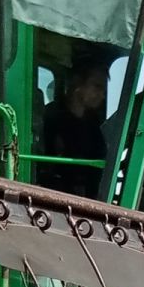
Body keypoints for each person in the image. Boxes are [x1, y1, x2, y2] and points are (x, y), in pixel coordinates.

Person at [36, 58, 111, 198]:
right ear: (78, 83)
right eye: (97, 86)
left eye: (104, 90)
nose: (102, 95)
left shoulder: (94, 129)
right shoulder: (50, 118)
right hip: (50, 195)